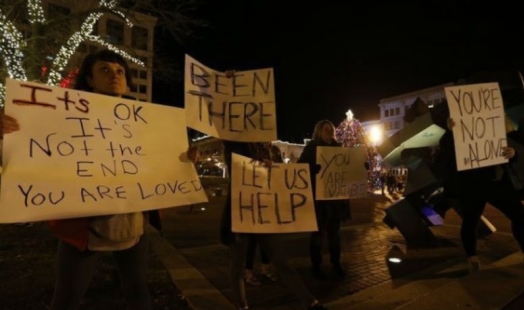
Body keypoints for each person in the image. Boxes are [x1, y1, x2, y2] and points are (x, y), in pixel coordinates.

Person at [1, 49, 198, 310]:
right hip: (83, 231)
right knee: (67, 298)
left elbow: (159, 161)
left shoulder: (146, 122)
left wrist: (184, 158)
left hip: (133, 228)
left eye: (120, 71)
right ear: (90, 80)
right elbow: (31, 152)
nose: (114, 75)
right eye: (104, 70)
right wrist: (7, 133)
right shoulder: (61, 116)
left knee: (138, 293)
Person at [220, 140, 327, 310]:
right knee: (238, 266)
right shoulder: (237, 144)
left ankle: (311, 303)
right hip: (241, 212)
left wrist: (274, 167)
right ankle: (242, 306)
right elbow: (234, 166)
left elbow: (282, 176)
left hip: (266, 214)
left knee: (281, 261)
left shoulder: (273, 150)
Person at [439, 117, 524, 273]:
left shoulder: (495, 127)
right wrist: (450, 132)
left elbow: (508, 152)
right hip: (472, 185)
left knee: (520, 215)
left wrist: (511, 153)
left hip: (497, 181)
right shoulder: (456, 132)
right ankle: (472, 257)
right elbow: (446, 150)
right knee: (470, 221)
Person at [297, 120, 351, 279]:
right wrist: (311, 169)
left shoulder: (339, 148)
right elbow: (300, 167)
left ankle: (336, 264)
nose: (329, 132)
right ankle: (316, 266)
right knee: (317, 235)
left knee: (335, 235)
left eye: (331, 129)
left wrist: (361, 167)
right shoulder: (312, 148)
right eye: (326, 129)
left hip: (335, 201)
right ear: (319, 132)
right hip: (319, 201)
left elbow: (348, 169)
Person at [244, 144, 282, 286]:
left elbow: (282, 169)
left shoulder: (275, 150)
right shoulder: (249, 148)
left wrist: (275, 166)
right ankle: (248, 271)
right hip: (253, 197)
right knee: (252, 239)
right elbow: (242, 167)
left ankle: (265, 268)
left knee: (268, 238)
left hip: (269, 197)